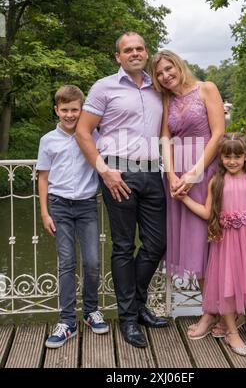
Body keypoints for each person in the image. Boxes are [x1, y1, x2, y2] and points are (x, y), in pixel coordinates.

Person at [75, 32, 168, 349]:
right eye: (128, 50)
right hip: (118, 173)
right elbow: (83, 131)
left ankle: (137, 304)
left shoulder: (158, 87)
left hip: (153, 173)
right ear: (118, 56)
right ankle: (129, 319)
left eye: (140, 48)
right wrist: (104, 170)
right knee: (124, 246)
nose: (135, 53)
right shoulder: (104, 87)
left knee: (157, 244)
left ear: (146, 52)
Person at [180, 133, 246, 356]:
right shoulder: (217, 181)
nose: (232, 161)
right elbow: (207, 212)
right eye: (227, 156)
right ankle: (231, 332)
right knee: (228, 286)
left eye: (237, 156)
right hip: (226, 242)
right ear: (221, 157)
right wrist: (184, 198)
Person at [149, 50, 225, 338]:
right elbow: (166, 137)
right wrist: (170, 174)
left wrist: (194, 173)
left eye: (169, 69)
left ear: (178, 66)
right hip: (177, 178)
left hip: (204, 173)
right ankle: (212, 310)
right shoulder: (168, 99)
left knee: (209, 244)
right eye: (159, 73)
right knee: (194, 244)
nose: (165, 75)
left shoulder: (206, 88)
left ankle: (211, 313)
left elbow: (218, 134)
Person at [37, 85, 109, 349]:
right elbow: (43, 178)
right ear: (57, 110)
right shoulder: (48, 140)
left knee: (92, 261)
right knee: (66, 263)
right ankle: (67, 321)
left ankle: (91, 311)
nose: (69, 115)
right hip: (59, 207)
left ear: (82, 110)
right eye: (64, 110)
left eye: (74, 110)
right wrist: (44, 212)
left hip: (87, 206)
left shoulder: (93, 136)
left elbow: (106, 163)